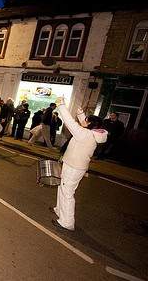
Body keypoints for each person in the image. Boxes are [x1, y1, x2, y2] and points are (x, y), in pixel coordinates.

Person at [51, 97, 107, 231]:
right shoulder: (92, 133)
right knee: (63, 188)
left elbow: (70, 123)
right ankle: (59, 210)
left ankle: (67, 222)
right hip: (74, 165)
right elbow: (82, 123)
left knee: (68, 193)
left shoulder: (85, 134)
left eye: (86, 120)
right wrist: (81, 113)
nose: (83, 121)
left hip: (73, 167)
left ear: (90, 125)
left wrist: (62, 105)